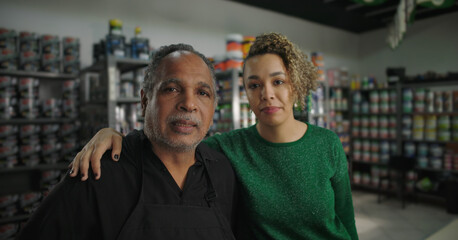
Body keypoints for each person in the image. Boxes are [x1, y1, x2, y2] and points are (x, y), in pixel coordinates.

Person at [71, 33, 359, 239]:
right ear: (245, 92)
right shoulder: (229, 147)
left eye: (278, 81)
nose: (267, 94)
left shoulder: (326, 144)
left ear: (295, 86)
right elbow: (172, 137)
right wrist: (110, 133)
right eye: (254, 85)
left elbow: (346, 221)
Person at [17, 44, 238, 240]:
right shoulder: (97, 173)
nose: (189, 104)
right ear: (144, 101)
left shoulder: (223, 172)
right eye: (171, 89)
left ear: (213, 107)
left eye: (202, 92)